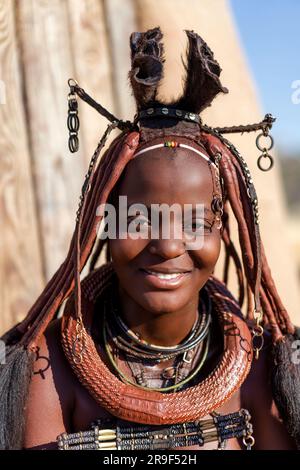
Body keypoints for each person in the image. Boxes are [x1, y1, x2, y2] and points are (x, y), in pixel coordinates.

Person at [1, 27, 299, 451]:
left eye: (195, 223)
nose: (169, 246)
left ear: (224, 232)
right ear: (104, 223)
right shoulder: (50, 367)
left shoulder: (260, 365)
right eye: (140, 220)